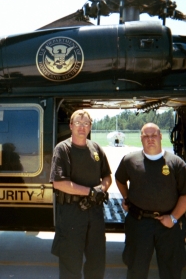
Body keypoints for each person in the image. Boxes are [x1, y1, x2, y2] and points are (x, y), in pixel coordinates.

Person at [115, 123, 186, 279]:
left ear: (161, 136)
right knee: (136, 270)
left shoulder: (176, 163)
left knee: (171, 271)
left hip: (168, 225)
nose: (150, 139)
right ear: (141, 138)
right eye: (146, 136)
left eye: (154, 135)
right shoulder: (130, 160)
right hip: (139, 224)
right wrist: (127, 198)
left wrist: (173, 218)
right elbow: (119, 179)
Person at [50, 109, 112, 279]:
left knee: (97, 262)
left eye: (86, 124)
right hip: (71, 213)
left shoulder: (96, 148)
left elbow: (107, 176)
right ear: (71, 125)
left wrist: (101, 190)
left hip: (95, 214)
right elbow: (59, 182)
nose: (82, 127)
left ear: (90, 126)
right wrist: (91, 192)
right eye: (78, 123)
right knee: (71, 265)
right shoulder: (62, 149)